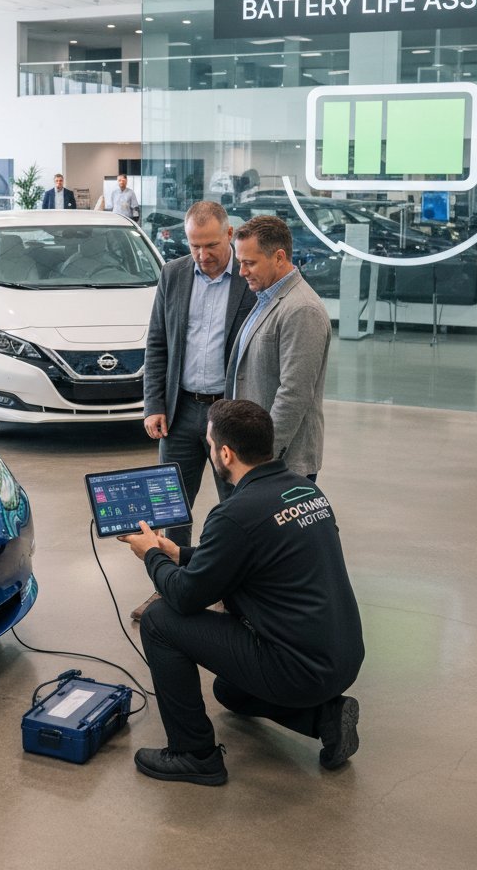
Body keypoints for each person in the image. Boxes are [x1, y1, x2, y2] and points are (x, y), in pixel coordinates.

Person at [120, 399, 364, 786]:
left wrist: (151, 555)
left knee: (158, 620)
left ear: (225, 453)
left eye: (209, 442)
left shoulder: (236, 513)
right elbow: (249, 554)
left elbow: (185, 597)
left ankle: (194, 754)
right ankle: (325, 719)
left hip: (296, 669)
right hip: (342, 657)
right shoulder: (303, 489)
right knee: (230, 692)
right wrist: (177, 552)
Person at [138, 201, 255, 619]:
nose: (202, 255)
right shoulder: (172, 275)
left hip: (229, 414)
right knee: (172, 506)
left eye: (209, 245)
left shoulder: (247, 278)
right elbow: (157, 343)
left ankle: (229, 590)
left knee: (234, 507)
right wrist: (154, 404)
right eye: (194, 245)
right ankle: (170, 586)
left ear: (228, 235)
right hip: (181, 408)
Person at [227, 215, 330, 482]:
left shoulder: (302, 310)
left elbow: (293, 394)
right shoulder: (266, 296)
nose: (242, 272)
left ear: (279, 257)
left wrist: (263, 458)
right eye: (240, 262)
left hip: (280, 464)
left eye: (249, 263)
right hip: (254, 457)